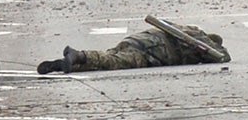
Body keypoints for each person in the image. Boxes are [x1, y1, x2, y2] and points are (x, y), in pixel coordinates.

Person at [37, 21, 229, 74]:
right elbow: (223, 56)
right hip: (152, 51)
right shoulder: (200, 42)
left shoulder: (186, 29)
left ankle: (66, 64)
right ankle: (79, 55)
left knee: (109, 58)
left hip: (138, 40)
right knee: (114, 62)